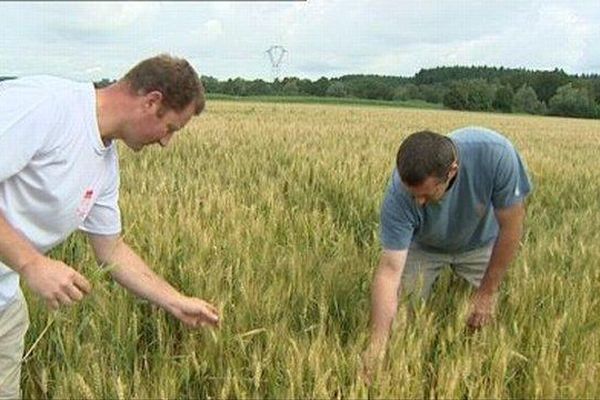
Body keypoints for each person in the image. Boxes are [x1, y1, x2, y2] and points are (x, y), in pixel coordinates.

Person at [0, 54, 219, 398]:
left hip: (4, 304)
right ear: (152, 102)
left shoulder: (104, 164)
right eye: (171, 128)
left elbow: (111, 249)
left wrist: (175, 301)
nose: (166, 142)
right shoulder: (46, 105)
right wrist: (31, 263)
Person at [363, 126, 532, 379]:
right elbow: (389, 270)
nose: (418, 202)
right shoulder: (399, 193)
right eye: (413, 195)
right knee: (400, 319)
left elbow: (511, 227)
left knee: (491, 319)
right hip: (425, 245)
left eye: (426, 194)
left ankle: (474, 371)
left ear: (451, 172)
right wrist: (376, 346)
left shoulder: (496, 154)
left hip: (480, 241)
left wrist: (486, 293)